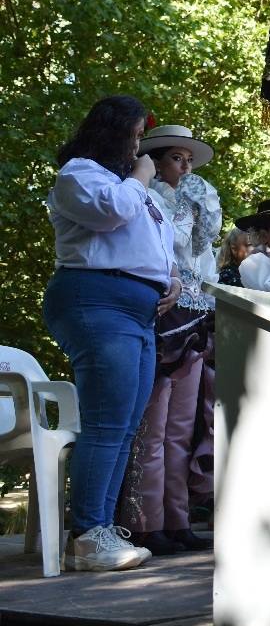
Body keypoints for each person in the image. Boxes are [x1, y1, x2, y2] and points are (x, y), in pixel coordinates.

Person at [43, 95, 180, 572]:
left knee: (123, 426)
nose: (141, 147)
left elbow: (156, 245)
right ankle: (86, 535)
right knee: (106, 422)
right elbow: (112, 214)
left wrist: (172, 279)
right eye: (137, 135)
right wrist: (142, 176)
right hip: (95, 299)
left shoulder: (133, 187)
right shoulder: (79, 174)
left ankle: (99, 530)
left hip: (139, 310)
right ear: (114, 132)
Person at [119, 124, 221, 555]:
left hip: (197, 312)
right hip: (162, 311)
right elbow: (162, 251)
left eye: (189, 159)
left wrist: (201, 206)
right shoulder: (146, 197)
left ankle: (177, 521)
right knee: (153, 425)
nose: (186, 166)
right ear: (156, 162)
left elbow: (204, 248)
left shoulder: (197, 199)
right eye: (177, 158)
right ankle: (143, 523)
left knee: (182, 425)